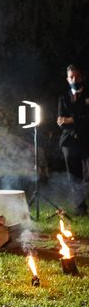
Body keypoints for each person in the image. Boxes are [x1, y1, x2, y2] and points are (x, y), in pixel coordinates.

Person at [57, 64, 89, 215]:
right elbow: (61, 120)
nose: (74, 80)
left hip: (87, 139)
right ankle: (80, 208)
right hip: (69, 141)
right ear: (67, 79)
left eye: (76, 77)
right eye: (71, 77)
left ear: (82, 77)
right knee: (74, 176)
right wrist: (72, 121)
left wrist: (71, 120)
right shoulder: (63, 98)